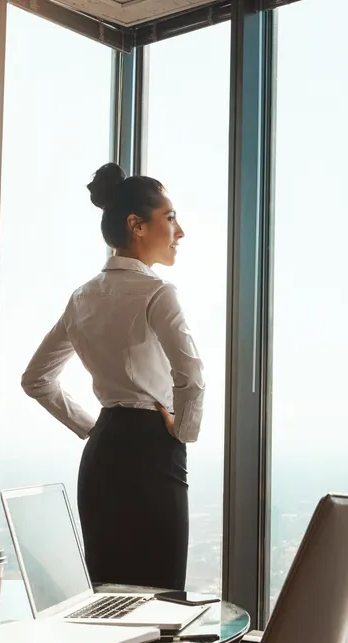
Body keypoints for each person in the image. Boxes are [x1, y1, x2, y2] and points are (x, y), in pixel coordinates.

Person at [21, 162, 203, 591]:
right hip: (154, 450)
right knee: (161, 599)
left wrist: (92, 428)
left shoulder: (83, 296)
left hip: (103, 454)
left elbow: (36, 380)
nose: (180, 231)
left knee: (108, 598)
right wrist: (183, 433)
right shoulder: (158, 292)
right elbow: (191, 375)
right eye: (171, 218)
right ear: (136, 225)